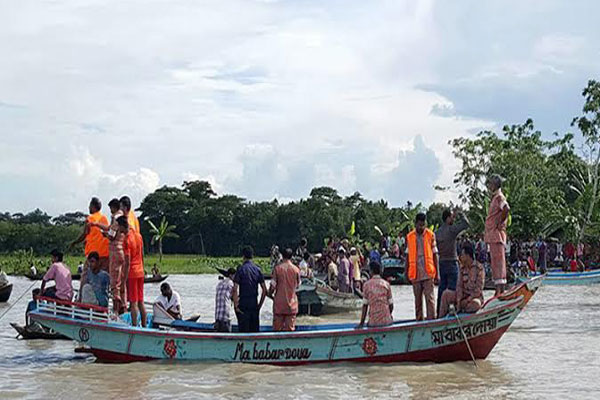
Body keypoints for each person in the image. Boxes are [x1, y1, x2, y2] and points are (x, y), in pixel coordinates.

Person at [435, 208, 469, 315]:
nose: (453, 218)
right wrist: (460, 213)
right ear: (448, 218)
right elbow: (465, 224)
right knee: (453, 290)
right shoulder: (451, 230)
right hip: (452, 263)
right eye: (452, 217)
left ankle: (439, 313)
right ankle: (453, 313)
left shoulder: (437, 233)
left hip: (441, 263)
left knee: (442, 290)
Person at [406, 213, 438, 321]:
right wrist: (406, 273)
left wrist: (437, 273)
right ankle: (419, 321)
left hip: (428, 273)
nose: (421, 227)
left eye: (423, 225)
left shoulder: (430, 235)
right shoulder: (410, 237)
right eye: (419, 225)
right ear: (415, 224)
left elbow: (435, 254)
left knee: (430, 299)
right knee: (417, 301)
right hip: (415, 274)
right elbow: (407, 256)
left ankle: (431, 321)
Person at [439, 243, 485, 318]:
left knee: (476, 304)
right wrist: (459, 301)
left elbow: (478, 289)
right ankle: (440, 319)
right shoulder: (462, 268)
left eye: (462, 255)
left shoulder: (479, 268)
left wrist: (468, 300)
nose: (460, 257)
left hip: (473, 298)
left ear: (467, 256)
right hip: (462, 296)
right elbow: (459, 286)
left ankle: (462, 310)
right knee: (446, 294)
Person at [484, 174, 510, 295]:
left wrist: (500, 223)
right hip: (493, 236)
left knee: (499, 263)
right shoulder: (494, 198)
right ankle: (498, 290)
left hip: (496, 235)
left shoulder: (499, 197)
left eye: (490, 184)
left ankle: (500, 291)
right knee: (495, 263)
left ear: (494, 185)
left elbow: (506, 209)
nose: (488, 186)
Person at [70, 197, 110, 275]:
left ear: (93, 206)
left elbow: (84, 234)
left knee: (86, 276)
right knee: (104, 277)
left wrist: (74, 242)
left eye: (90, 205)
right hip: (105, 254)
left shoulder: (90, 218)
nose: (89, 207)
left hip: (93, 254)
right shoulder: (104, 218)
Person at [232, 246, 267, 333]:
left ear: (243, 257)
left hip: (243, 305)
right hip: (254, 304)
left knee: (243, 332)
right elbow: (264, 290)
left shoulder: (240, 269)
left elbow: (235, 289)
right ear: (252, 256)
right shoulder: (258, 270)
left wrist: (236, 306)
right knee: (254, 332)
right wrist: (259, 305)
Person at [268, 248, 301, 331]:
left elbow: (272, 286)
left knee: (277, 331)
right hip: (292, 305)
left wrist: (269, 293)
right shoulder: (296, 270)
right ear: (291, 257)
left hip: (279, 305)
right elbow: (298, 286)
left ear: (282, 256)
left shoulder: (277, 269)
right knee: (290, 332)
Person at [357, 261, 394, 328]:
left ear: (371, 271)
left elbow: (365, 306)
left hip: (373, 322)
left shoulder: (366, 285)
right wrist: (388, 315)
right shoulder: (386, 284)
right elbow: (391, 305)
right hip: (386, 321)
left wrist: (361, 323)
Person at [125, 225, 147, 327]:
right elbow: (142, 254)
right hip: (140, 270)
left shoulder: (127, 240)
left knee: (133, 302)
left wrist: (124, 276)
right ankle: (144, 325)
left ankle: (134, 326)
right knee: (141, 301)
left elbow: (127, 261)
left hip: (132, 273)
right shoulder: (139, 236)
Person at [108, 216, 129, 314]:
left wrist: (104, 234)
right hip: (122, 253)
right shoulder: (128, 230)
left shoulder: (115, 225)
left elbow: (110, 236)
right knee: (121, 281)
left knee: (114, 283)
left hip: (115, 253)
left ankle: (116, 310)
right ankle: (123, 305)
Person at [214, 268, 236, 332]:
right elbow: (234, 298)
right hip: (225, 317)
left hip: (217, 316)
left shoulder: (219, 284)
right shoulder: (231, 284)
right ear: (231, 275)